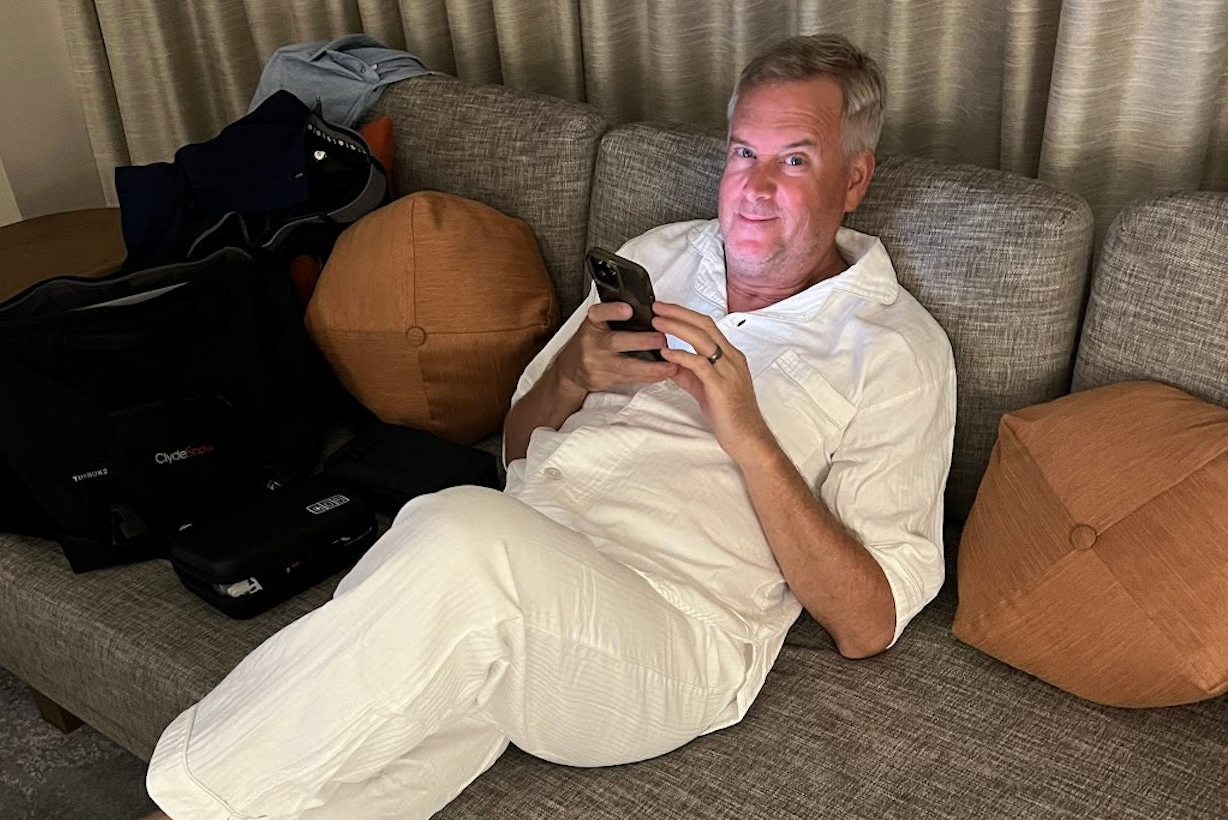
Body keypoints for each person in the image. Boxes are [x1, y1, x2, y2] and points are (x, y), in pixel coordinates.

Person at [144, 32, 955, 820]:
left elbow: (868, 623)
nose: (754, 186)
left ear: (855, 179)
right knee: (382, 736)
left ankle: (179, 805)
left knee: (451, 534)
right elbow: (517, 449)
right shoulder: (663, 256)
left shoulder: (896, 351)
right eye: (743, 151)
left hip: (673, 634)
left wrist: (748, 436)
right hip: (527, 561)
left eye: (795, 159)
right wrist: (572, 375)